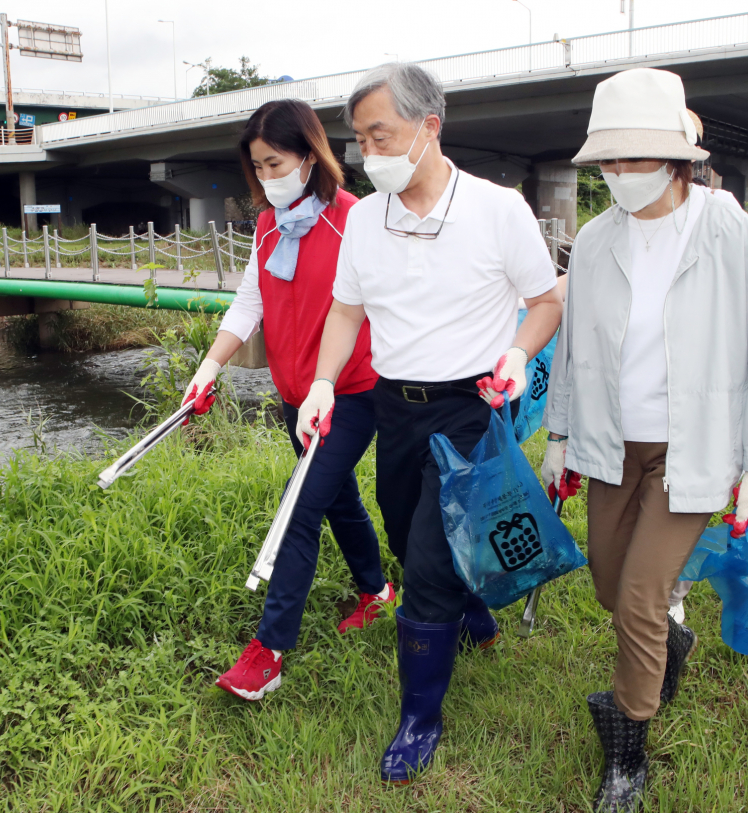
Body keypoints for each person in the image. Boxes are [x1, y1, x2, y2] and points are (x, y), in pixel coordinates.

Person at [300, 62, 563, 784]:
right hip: (395, 405)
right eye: (360, 139)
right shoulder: (362, 217)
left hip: (471, 405)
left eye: (380, 134)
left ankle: (420, 715)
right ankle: (473, 603)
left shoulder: (497, 209)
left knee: (425, 565)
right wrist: (323, 382)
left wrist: (516, 352)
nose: (367, 153)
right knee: (405, 522)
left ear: (429, 127)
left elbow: (545, 301)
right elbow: (347, 309)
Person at [542, 68, 748, 813]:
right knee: (612, 587)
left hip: (693, 446)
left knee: (642, 596)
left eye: (633, 160)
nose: (617, 176)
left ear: (676, 156)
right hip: (613, 443)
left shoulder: (725, 226)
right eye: (608, 162)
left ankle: (627, 748)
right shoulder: (596, 237)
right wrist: (558, 434)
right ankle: (669, 648)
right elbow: (576, 345)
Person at [181, 99, 393, 703]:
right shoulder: (269, 225)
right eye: (259, 167)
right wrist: (210, 364)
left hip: (351, 392)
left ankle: (268, 653)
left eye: (277, 163)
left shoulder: (356, 220)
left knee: (297, 508)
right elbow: (250, 303)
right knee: (336, 498)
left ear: (309, 154)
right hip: (292, 396)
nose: (268, 178)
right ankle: (377, 595)